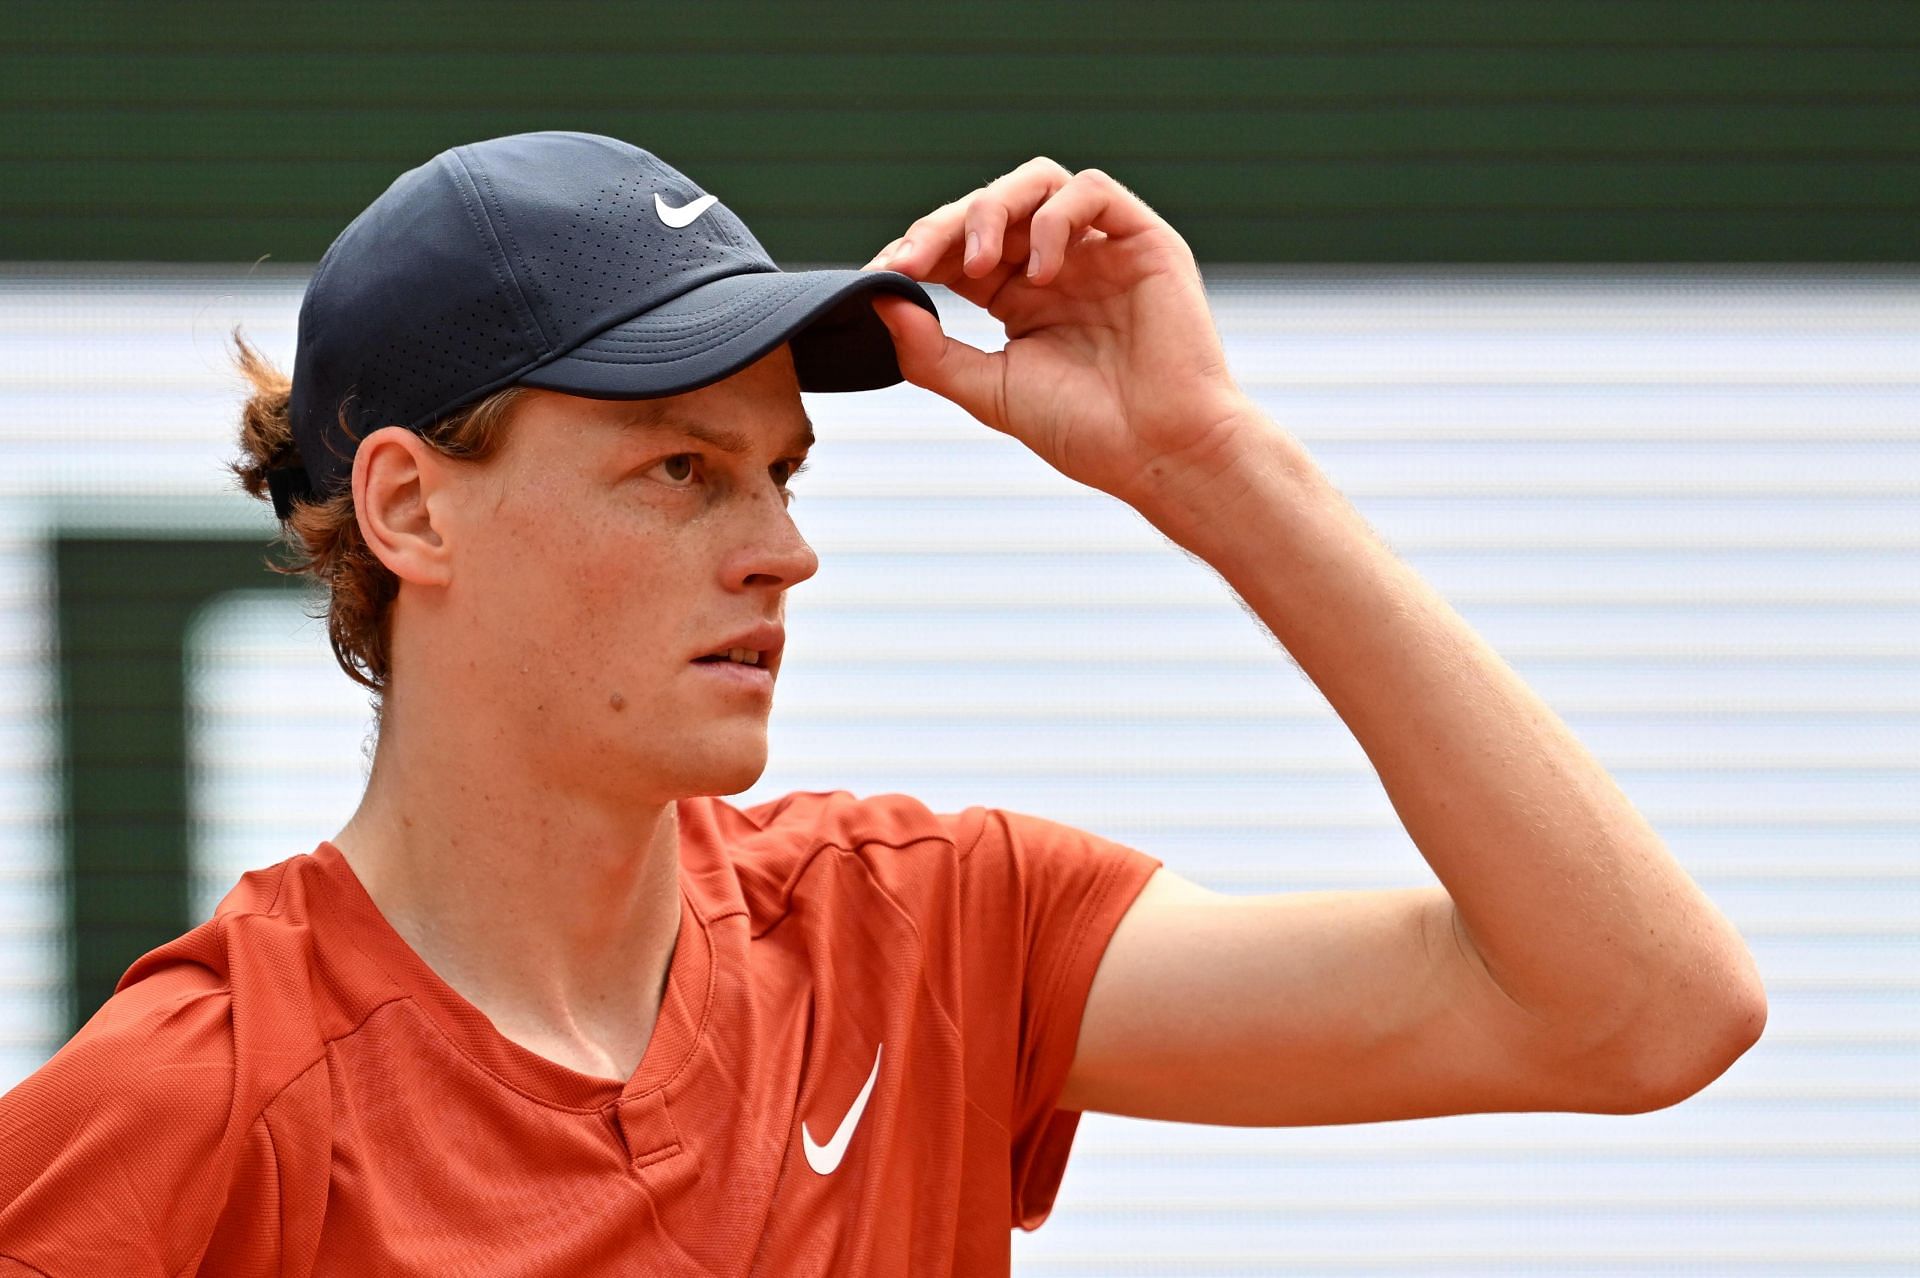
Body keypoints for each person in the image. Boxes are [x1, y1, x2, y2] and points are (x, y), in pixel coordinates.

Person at [0, 132, 1765, 1276]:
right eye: (681, 472)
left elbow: (1641, 1010)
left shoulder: (924, 929)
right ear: (408, 507)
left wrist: (1215, 467)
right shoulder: (195, 1111)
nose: (783, 551)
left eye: (784, 473)